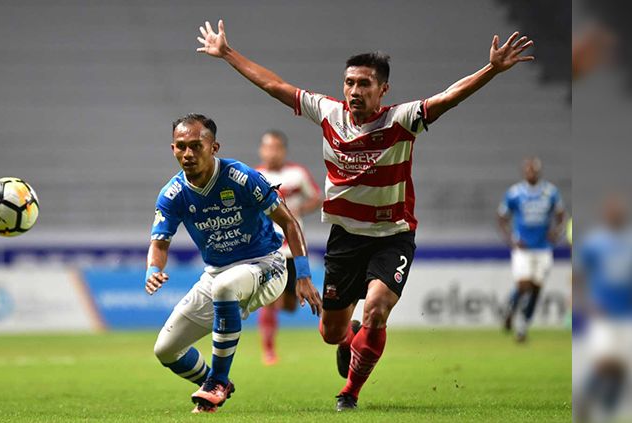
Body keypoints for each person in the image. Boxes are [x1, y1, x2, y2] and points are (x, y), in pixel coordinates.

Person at [195, 19, 535, 410]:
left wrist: (491, 68)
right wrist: (227, 53)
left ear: (383, 89)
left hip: (393, 235)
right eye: (350, 83)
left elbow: (448, 97)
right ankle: (349, 336)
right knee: (330, 332)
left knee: (377, 309)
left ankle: (350, 393)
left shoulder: (401, 119)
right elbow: (276, 86)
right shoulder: (327, 112)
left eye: (364, 84)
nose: (354, 91)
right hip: (346, 236)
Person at [147, 114, 322, 414]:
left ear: (214, 147)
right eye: (180, 147)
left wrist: (303, 275)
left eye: (195, 146)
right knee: (165, 350)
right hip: (216, 274)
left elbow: (289, 223)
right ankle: (217, 386)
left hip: (267, 265)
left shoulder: (241, 177)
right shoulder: (172, 194)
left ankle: (217, 380)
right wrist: (153, 269)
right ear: (172, 148)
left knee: (227, 287)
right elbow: (159, 243)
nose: (187, 154)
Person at [255, 129, 322, 365]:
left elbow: (316, 196)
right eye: (268, 147)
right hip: (268, 248)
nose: (272, 152)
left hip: (294, 247)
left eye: (276, 147)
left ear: (283, 150)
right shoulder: (256, 176)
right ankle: (269, 350)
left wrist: (300, 210)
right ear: (261, 150)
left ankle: (284, 304)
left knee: (291, 304)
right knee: (271, 301)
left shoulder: (297, 173)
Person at [574, 194, 632, 422]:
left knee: (621, 366)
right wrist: (584, 302)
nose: (616, 214)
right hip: (603, 314)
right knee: (604, 361)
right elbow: (578, 273)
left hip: (627, 314)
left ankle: (605, 409)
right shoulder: (594, 242)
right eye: (612, 210)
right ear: (606, 214)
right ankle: (586, 397)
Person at [498, 157, 565, 342]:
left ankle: (522, 328)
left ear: (539, 172)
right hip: (523, 248)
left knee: (536, 290)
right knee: (524, 284)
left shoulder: (550, 192)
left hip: (543, 248)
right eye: (528, 170)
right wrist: (511, 238)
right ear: (523, 172)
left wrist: (557, 232)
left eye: (534, 170)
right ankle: (510, 310)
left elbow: (561, 215)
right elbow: (502, 217)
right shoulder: (515, 193)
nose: (531, 173)